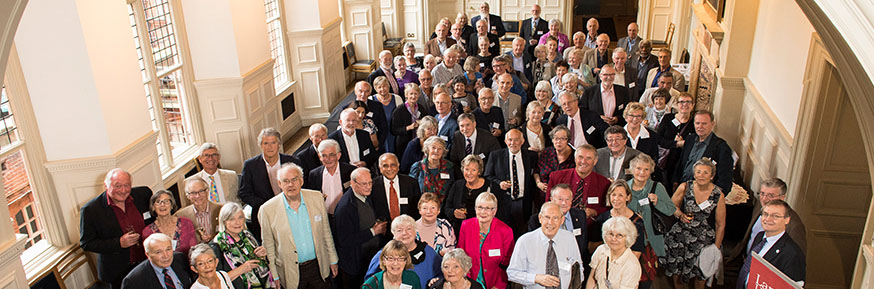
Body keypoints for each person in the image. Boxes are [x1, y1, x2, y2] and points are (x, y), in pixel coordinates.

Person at [259, 163, 338, 289]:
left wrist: (333, 259)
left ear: (301, 181)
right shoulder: (267, 210)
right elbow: (268, 245)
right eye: (286, 181)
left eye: (294, 179)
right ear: (279, 184)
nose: (291, 184)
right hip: (289, 271)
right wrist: (274, 274)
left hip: (318, 267)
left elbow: (326, 232)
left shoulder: (317, 197)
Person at [80, 169, 151, 289]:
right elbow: (87, 243)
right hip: (118, 272)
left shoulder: (143, 194)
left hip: (148, 262)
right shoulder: (91, 210)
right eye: (117, 186)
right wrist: (119, 243)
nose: (123, 190)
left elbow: (154, 220)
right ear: (106, 186)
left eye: (126, 185)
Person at [665, 158, 726, 289]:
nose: (701, 175)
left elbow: (720, 224)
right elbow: (671, 206)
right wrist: (680, 215)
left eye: (705, 173)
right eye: (698, 172)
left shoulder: (718, 194)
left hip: (703, 240)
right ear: (694, 173)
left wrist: (715, 248)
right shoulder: (685, 187)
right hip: (680, 235)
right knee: (677, 269)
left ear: (712, 176)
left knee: (701, 273)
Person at [239, 127, 302, 240]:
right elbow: (244, 193)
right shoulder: (250, 165)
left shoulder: (292, 162)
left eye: (273, 142)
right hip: (263, 214)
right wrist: (266, 205)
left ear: (279, 144)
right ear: (260, 145)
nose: (270, 147)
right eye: (266, 143)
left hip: (292, 210)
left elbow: (303, 186)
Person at [334, 168, 389, 289]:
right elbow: (345, 240)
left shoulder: (365, 194)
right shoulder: (345, 208)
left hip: (369, 257)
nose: (368, 186)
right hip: (355, 266)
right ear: (352, 183)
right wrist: (373, 231)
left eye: (370, 182)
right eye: (364, 184)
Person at [508, 202, 584, 289]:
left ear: (562, 220)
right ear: (540, 218)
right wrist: (536, 278)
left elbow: (579, 267)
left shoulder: (569, 238)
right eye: (547, 217)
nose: (550, 223)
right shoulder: (525, 241)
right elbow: (512, 273)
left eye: (555, 218)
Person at [730, 178, 807, 260]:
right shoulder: (760, 205)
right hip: (744, 260)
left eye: (770, 195)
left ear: (782, 197)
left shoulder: (794, 226)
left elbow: (796, 257)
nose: (764, 199)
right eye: (762, 193)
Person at [736, 200, 806, 288]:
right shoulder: (759, 237)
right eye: (765, 214)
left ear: (787, 220)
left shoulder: (793, 253)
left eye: (775, 216)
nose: (768, 219)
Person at [592, 181, 649, 288]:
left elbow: (636, 254)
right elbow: (591, 246)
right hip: (602, 270)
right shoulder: (602, 218)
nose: (616, 199)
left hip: (624, 273)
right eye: (613, 194)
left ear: (628, 197)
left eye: (620, 195)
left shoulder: (637, 223)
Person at [485, 129, 538, 237]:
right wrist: (499, 183)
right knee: (503, 233)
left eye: (516, 140)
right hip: (503, 202)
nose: (513, 143)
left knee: (523, 232)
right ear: (505, 141)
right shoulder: (496, 156)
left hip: (524, 202)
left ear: (522, 141)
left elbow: (536, 173)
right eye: (510, 140)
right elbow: (488, 175)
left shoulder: (531, 156)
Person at [528, 185, 590, 278]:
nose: (564, 203)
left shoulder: (580, 215)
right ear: (552, 200)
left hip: (574, 270)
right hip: (546, 271)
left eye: (568, 199)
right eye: (560, 199)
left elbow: (583, 245)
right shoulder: (536, 220)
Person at [365, 215, 443, 289]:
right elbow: (370, 282)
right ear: (393, 234)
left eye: (409, 229)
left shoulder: (428, 252)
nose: (404, 233)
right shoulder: (383, 255)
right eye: (399, 230)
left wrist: (436, 281)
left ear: (415, 231)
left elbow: (441, 275)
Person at [211, 202, 276, 289]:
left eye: (240, 217)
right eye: (232, 219)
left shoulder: (247, 235)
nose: (237, 222)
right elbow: (216, 280)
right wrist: (242, 268)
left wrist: (263, 254)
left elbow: (261, 263)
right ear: (224, 221)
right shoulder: (216, 246)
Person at [457, 192, 514, 289]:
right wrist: (467, 283)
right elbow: (460, 255)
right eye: (480, 207)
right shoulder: (466, 226)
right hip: (468, 280)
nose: (483, 212)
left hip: (495, 282)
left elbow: (507, 264)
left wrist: (498, 286)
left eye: (488, 208)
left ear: (494, 211)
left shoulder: (506, 231)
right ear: (475, 209)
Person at [626, 154, 677, 260]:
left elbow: (671, 210)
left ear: (651, 171)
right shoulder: (624, 187)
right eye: (638, 168)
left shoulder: (657, 187)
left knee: (649, 273)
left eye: (646, 169)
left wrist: (657, 203)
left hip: (651, 240)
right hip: (628, 239)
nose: (642, 172)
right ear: (632, 169)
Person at [672, 111, 734, 193]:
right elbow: (681, 163)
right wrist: (675, 182)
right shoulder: (690, 139)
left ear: (712, 124)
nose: (700, 127)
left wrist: (712, 198)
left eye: (704, 124)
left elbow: (725, 180)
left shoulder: (721, 148)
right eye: (697, 123)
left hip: (702, 194)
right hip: (681, 189)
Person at [545, 145, 611, 222]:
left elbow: (606, 209)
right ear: (575, 159)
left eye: (588, 158)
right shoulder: (557, 177)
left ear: (595, 161)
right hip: (558, 224)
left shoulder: (604, 183)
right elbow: (548, 203)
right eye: (580, 157)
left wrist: (594, 212)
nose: (583, 161)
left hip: (590, 228)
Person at [586, 217, 642, 289]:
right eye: (610, 234)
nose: (613, 239)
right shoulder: (601, 250)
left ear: (628, 238)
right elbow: (592, 278)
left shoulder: (632, 265)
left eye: (619, 235)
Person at [120, 233, 192, 289]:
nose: (166, 256)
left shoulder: (180, 259)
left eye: (168, 249)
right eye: (158, 252)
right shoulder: (133, 281)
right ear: (148, 254)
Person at [305, 139, 356, 215]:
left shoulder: (351, 171)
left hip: (347, 215)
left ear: (338, 156)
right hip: (325, 216)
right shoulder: (314, 174)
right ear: (319, 157)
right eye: (324, 155)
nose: (328, 159)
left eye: (331, 155)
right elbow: (312, 198)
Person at [445, 155, 493, 232]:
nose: (469, 173)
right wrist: (453, 213)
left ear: (479, 171)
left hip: (482, 230)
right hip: (460, 230)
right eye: (466, 169)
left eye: (473, 170)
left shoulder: (490, 186)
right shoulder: (457, 185)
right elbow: (447, 208)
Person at [656, 92, 695, 185]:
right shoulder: (667, 118)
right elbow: (658, 139)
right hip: (666, 161)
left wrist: (685, 143)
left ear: (693, 105)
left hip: (683, 162)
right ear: (677, 104)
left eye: (688, 102)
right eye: (681, 102)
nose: (684, 104)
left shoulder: (695, 123)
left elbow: (696, 142)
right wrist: (676, 144)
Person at [371, 153, 422, 220]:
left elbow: (417, 208)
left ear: (398, 166)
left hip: (408, 226)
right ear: (380, 168)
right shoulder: (372, 186)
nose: (389, 169)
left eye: (393, 165)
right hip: (383, 228)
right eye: (385, 166)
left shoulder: (411, 183)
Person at [189, 243, 258, 289]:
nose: (207, 266)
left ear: (216, 262)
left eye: (210, 261)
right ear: (194, 269)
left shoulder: (223, 275)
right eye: (201, 264)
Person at [410, 136, 455, 201]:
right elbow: (411, 190)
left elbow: (452, 190)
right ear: (427, 149)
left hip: (444, 208)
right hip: (423, 208)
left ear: (443, 151)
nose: (436, 151)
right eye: (433, 148)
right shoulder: (417, 167)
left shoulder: (449, 167)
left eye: (440, 149)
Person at [178, 177, 222, 243]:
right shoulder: (181, 216)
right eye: (193, 193)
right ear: (188, 196)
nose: (197, 196)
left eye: (201, 191)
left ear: (207, 191)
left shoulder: (221, 209)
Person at [535, 126, 576, 192]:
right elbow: (536, 171)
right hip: (544, 193)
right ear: (552, 140)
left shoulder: (575, 156)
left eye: (562, 138)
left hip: (566, 194)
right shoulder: (546, 153)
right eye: (556, 138)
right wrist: (538, 183)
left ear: (568, 140)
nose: (559, 141)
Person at [372, 76, 405, 153]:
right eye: (379, 87)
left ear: (388, 86)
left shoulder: (397, 99)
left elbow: (402, 118)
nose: (382, 89)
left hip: (394, 135)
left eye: (384, 86)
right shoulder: (371, 100)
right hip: (379, 136)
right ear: (375, 89)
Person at [622, 102, 660, 167]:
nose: (635, 119)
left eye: (638, 116)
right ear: (626, 117)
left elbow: (654, 159)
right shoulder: (617, 135)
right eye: (631, 115)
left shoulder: (652, 135)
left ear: (642, 118)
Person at [392, 83, 427, 152]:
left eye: (415, 93)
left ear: (419, 95)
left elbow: (426, 123)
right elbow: (394, 130)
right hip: (404, 145)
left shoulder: (421, 108)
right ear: (406, 95)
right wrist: (409, 127)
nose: (413, 96)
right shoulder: (399, 110)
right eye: (411, 94)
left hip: (419, 143)